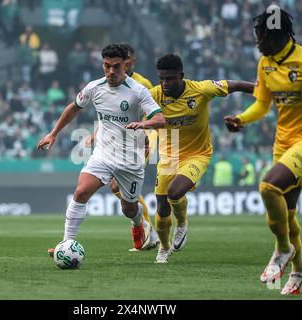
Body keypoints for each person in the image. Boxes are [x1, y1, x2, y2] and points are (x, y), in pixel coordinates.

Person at [224, 7, 302, 295]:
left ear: (281, 34)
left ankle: (282, 250)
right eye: (258, 36)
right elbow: (263, 104)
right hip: (283, 143)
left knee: (268, 186)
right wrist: (242, 118)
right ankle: (301, 267)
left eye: (265, 36)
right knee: (288, 213)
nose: (260, 42)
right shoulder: (265, 64)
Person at [38, 44, 165, 254]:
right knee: (80, 192)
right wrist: (53, 133)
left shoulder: (138, 91)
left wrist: (142, 125)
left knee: (129, 208)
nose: (111, 71)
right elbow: (73, 108)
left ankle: (140, 224)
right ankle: (66, 244)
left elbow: (160, 120)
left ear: (126, 64)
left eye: (116, 66)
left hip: (130, 159)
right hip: (103, 154)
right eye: (107, 66)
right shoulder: (94, 88)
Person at [150, 54, 254, 263]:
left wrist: (261, 90)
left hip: (198, 153)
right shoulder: (155, 94)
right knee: (161, 206)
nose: (164, 83)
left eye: (169, 78)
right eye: (161, 78)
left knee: (175, 192)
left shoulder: (201, 90)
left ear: (181, 76)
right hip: (170, 153)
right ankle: (163, 247)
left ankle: (182, 224)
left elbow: (233, 85)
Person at [85, 43, 160, 251]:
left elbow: (151, 113)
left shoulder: (141, 84)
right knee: (117, 187)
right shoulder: (110, 82)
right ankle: (147, 229)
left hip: (144, 136)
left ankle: (147, 230)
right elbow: (111, 115)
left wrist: (143, 134)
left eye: (124, 62)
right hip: (121, 137)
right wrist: (96, 133)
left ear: (131, 61)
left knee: (118, 186)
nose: (118, 68)